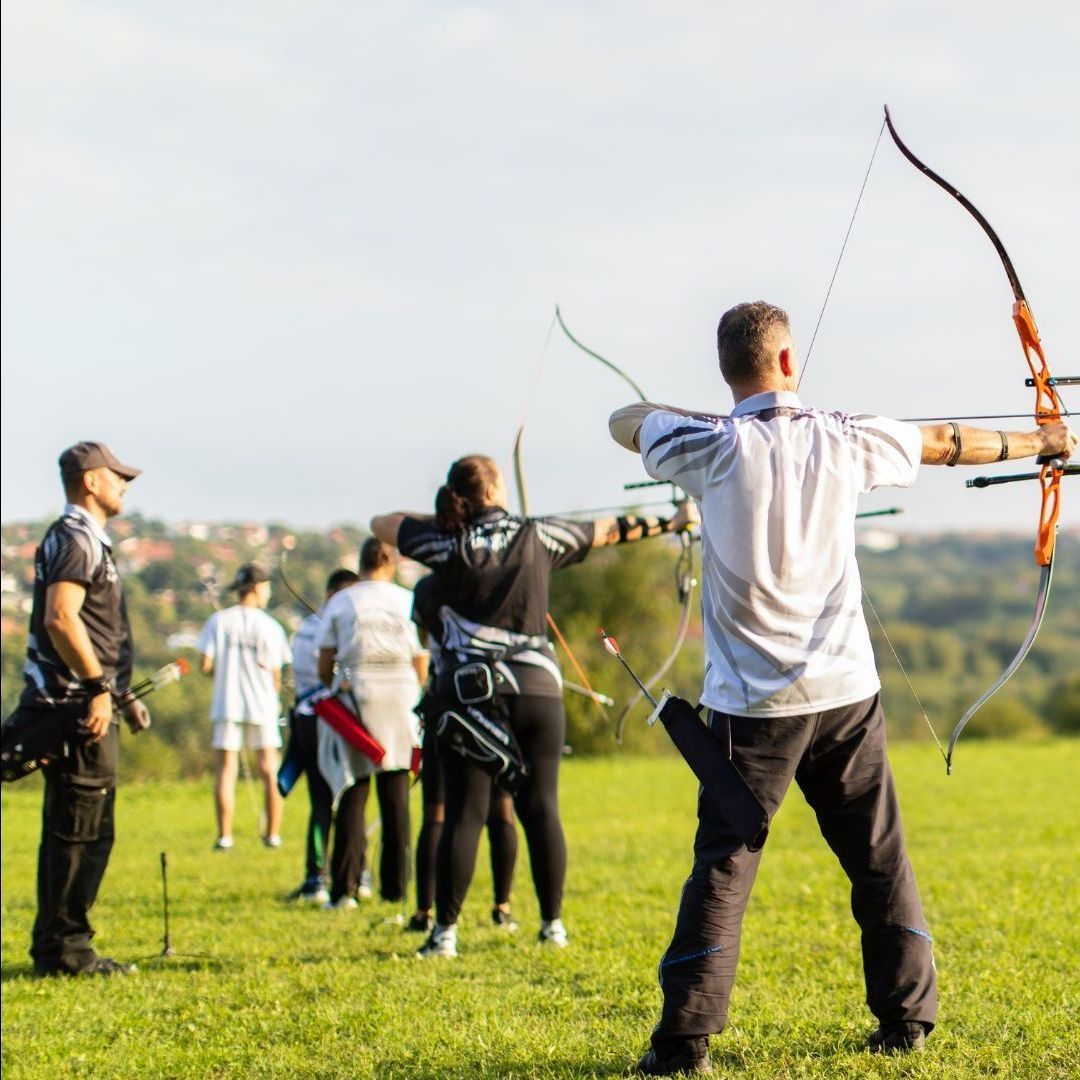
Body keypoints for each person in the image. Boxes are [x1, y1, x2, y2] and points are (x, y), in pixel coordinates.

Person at [608, 300, 1078, 1074]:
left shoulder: (702, 444)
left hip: (750, 714)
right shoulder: (842, 435)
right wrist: (1045, 441)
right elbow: (950, 443)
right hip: (845, 695)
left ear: (727, 372)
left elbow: (626, 419)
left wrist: (701, 411)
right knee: (878, 860)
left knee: (724, 865)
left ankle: (685, 1041)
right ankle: (907, 1021)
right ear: (790, 361)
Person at [371, 454, 696, 958]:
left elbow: (382, 524)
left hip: (475, 698)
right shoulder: (538, 535)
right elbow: (610, 530)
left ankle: (445, 935)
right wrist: (673, 522)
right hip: (537, 690)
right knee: (541, 808)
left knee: (464, 812)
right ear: (498, 488)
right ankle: (552, 926)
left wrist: (450, 523)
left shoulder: (446, 542)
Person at [10, 441, 150, 976]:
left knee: (84, 829)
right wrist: (96, 687)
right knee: (80, 832)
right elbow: (61, 619)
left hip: (87, 704)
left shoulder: (84, 539)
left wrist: (121, 696)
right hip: (74, 709)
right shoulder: (74, 538)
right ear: (91, 481)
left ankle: (61, 945)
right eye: (118, 476)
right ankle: (65, 952)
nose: (124, 485)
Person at [316, 539, 428, 910]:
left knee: (352, 790)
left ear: (361, 564)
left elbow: (324, 662)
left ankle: (344, 888)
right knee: (396, 795)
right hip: (402, 694)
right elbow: (421, 659)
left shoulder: (342, 600)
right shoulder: (405, 600)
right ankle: (396, 887)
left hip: (357, 692)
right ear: (391, 565)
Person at [407, 573, 518, 935]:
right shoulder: (492, 583)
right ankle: (502, 905)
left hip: (446, 703)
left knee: (438, 813)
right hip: (490, 704)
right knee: (500, 809)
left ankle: (426, 912)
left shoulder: (427, 586)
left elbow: (424, 642)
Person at [198, 563, 292, 850]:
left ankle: (224, 836)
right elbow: (277, 674)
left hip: (227, 702)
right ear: (257, 587)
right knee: (269, 768)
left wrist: (224, 675)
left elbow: (205, 665)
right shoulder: (271, 626)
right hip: (262, 704)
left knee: (226, 769)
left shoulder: (218, 621)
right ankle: (272, 834)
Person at [283, 568, 359, 904]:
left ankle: (337, 873)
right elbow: (326, 675)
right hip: (324, 719)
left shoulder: (314, 628)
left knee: (339, 800)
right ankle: (325, 876)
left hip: (324, 719)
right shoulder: (322, 630)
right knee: (334, 799)